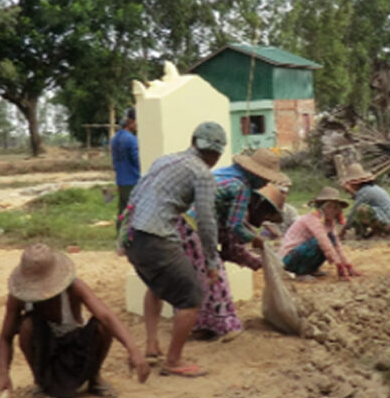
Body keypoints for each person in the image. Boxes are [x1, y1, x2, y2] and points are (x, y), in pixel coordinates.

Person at [122, 121, 226, 378]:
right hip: (156, 238)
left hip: (133, 235)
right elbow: (206, 220)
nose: (211, 158)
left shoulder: (165, 160)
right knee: (191, 296)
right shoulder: (202, 173)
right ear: (215, 153)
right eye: (212, 154)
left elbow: (135, 195)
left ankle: (151, 345)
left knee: (155, 286)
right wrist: (212, 261)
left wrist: (122, 237)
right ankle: (173, 361)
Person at [0, 243, 150, 398]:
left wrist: (133, 349)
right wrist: (3, 374)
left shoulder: (73, 288)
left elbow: (106, 316)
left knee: (102, 326)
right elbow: (6, 337)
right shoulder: (19, 297)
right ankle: (41, 382)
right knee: (27, 326)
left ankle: (94, 378)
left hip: (77, 347)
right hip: (46, 350)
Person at [179, 183, 286, 340]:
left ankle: (204, 327)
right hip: (193, 234)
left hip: (188, 234)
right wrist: (257, 263)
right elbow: (233, 249)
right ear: (258, 205)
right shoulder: (241, 214)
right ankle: (224, 328)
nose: (264, 219)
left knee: (204, 281)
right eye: (266, 214)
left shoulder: (242, 213)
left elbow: (229, 248)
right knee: (216, 281)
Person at [211, 149, 291, 265]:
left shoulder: (223, 174)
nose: (265, 184)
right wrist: (255, 242)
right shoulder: (241, 188)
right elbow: (233, 244)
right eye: (265, 179)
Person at [279, 187, 361, 281]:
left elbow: (337, 245)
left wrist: (348, 266)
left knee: (331, 240)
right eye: (329, 207)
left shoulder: (329, 222)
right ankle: (300, 273)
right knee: (320, 243)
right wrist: (339, 266)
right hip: (289, 258)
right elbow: (324, 241)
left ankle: (311, 269)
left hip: (300, 253)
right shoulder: (312, 219)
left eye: (335, 208)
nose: (333, 210)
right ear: (321, 207)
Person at [339, 163, 390, 239]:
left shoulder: (365, 192)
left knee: (361, 210)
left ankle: (377, 233)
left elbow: (353, 212)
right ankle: (364, 234)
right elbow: (358, 197)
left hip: (389, 223)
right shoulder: (368, 189)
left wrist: (342, 232)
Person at [111, 107, 141, 233]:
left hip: (121, 180)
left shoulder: (115, 138)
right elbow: (137, 161)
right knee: (134, 212)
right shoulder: (131, 140)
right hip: (132, 180)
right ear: (131, 122)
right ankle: (130, 239)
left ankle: (119, 236)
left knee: (122, 210)